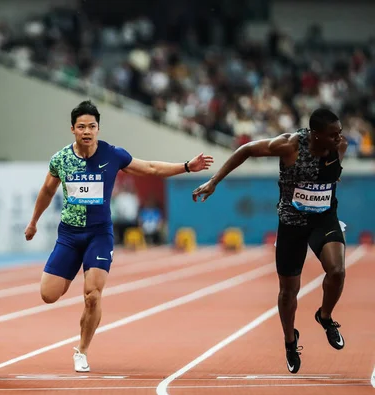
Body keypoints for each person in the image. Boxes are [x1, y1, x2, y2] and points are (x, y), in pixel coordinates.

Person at [24, 100, 213, 372]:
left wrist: (186, 166)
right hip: (69, 235)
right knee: (48, 295)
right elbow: (46, 190)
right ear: (72, 130)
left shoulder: (113, 155)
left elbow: (149, 168)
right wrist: (33, 222)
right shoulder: (61, 159)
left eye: (91, 126)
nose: (87, 131)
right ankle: (68, 276)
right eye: (81, 127)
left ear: (98, 128)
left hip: (99, 234)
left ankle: (82, 350)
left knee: (92, 295)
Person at [192, 108, 348, 374]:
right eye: (333, 134)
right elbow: (246, 150)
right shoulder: (289, 145)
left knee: (337, 271)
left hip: (323, 219)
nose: (340, 139)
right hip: (291, 224)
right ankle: (290, 341)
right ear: (316, 134)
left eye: (339, 133)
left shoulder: (338, 147)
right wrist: (214, 181)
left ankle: (325, 316)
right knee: (289, 291)